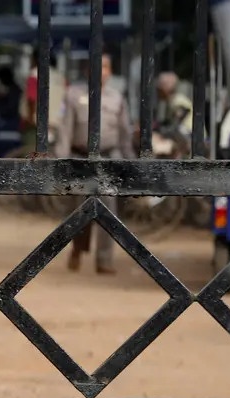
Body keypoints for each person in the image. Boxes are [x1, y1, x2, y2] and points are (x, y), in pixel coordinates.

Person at [54, 52, 134, 275]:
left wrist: (131, 163)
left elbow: (125, 133)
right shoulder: (73, 95)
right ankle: (78, 249)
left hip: (108, 159)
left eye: (106, 67)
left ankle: (104, 259)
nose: (101, 71)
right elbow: (65, 131)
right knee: (78, 210)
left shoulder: (117, 98)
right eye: (97, 67)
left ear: (110, 71)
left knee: (109, 210)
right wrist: (60, 164)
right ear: (87, 70)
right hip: (79, 158)